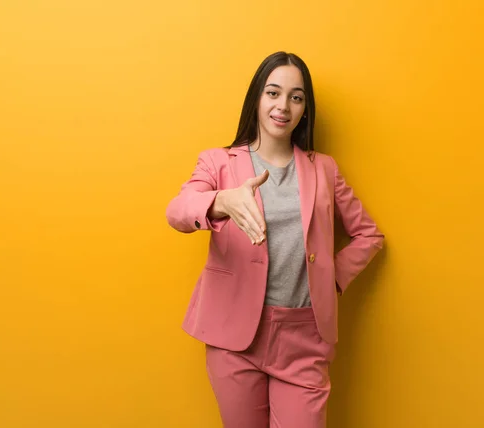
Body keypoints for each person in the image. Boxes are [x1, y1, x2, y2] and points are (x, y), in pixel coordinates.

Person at [165, 51, 384, 428]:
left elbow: (369, 235)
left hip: (304, 338)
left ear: (304, 109)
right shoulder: (218, 162)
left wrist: (331, 279)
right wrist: (222, 201)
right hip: (234, 338)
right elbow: (178, 210)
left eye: (296, 97)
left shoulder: (324, 169)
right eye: (273, 93)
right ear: (257, 98)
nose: (283, 106)